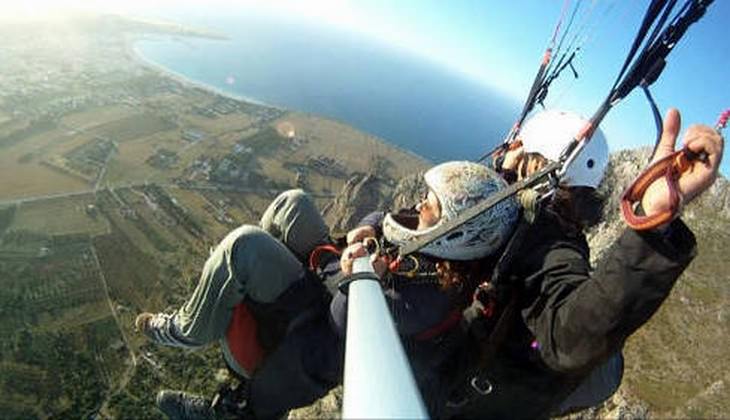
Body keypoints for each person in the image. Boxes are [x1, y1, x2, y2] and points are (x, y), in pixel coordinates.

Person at [135, 160, 521, 419]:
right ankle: (253, 292)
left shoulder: (426, 301)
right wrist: (368, 229)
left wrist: (339, 265)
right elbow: (389, 219)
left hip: (326, 325)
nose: (420, 204)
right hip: (337, 281)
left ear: (459, 231)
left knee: (244, 245)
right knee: (293, 203)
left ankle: (186, 332)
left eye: (431, 205)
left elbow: (343, 316)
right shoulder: (434, 242)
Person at [433, 107, 723, 419]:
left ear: (539, 164)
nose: (512, 154)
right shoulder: (522, 216)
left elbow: (571, 334)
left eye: (523, 151)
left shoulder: (551, 246)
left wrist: (652, 226)